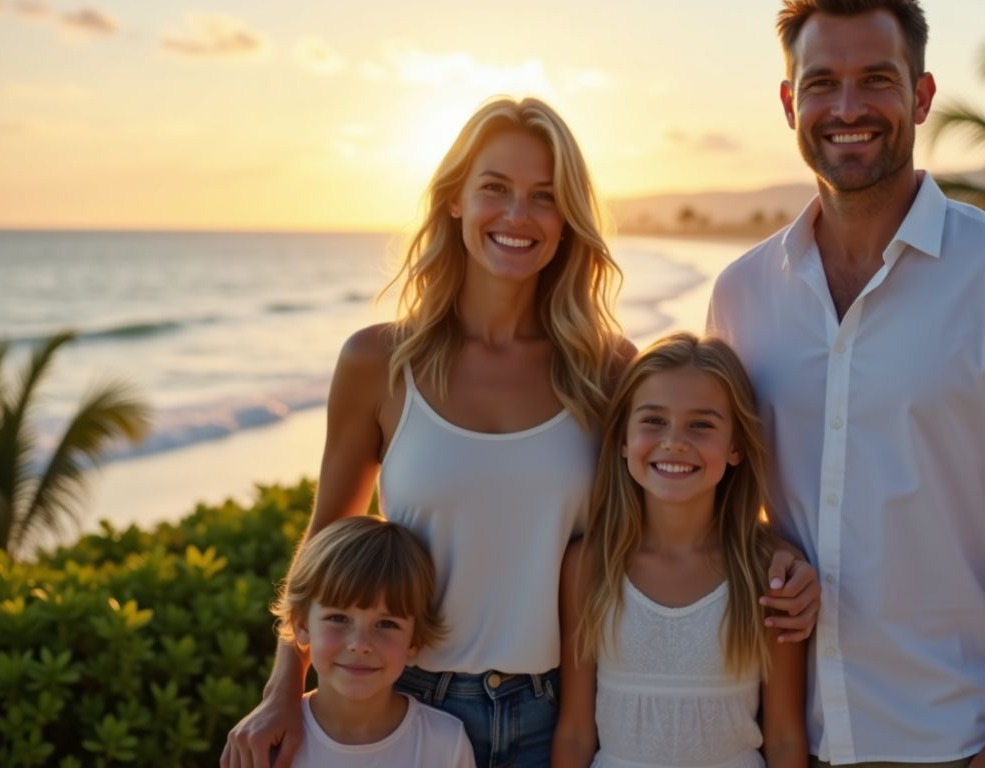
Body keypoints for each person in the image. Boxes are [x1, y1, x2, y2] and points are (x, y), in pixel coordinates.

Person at [223, 96, 820, 768]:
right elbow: (324, 545)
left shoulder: (605, 369)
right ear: (455, 200)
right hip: (408, 706)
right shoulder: (378, 363)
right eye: (496, 189)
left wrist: (773, 551)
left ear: (566, 220)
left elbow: (673, 490)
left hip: (555, 713)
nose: (517, 216)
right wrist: (282, 688)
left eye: (543, 196)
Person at [706, 2, 985, 766]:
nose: (848, 109)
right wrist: (767, 547)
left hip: (959, 737)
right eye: (822, 83)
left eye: (876, 81)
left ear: (920, 97)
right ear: (790, 102)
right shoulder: (741, 291)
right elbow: (722, 497)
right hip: (783, 737)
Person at [551, 333, 808, 768]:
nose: (674, 441)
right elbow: (576, 732)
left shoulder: (766, 570)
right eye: (653, 420)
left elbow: (784, 736)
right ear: (622, 441)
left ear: (736, 447)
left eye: (701, 425)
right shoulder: (590, 565)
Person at [271, 515, 474, 768]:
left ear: (415, 641)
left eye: (386, 624)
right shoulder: (269, 742)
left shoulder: (445, 743)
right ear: (301, 624)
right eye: (338, 618)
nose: (360, 643)